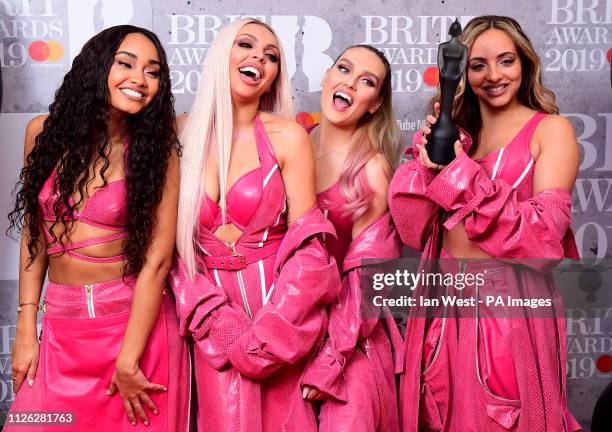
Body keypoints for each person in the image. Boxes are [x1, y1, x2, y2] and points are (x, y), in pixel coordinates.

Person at [389, 15, 581, 431]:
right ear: (460, 73)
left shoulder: (551, 131)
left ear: (525, 64)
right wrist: (428, 167)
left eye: (506, 61)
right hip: (441, 306)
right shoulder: (458, 136)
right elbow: (411, 231)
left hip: (506, 312)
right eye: (478, 65)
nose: (494, 76)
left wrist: (459, 174)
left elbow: (544, 240)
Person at [6, 25, 189, 431]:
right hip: (60, 331)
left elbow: (158, 263)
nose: (139, 79)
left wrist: (128, 359)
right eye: (126, 63)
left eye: (153, 71)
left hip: (130, 334)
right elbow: (36, 235)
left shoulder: (158, 153)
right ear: (96, 65)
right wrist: (25, 326)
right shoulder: (41, 133)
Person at [168, 18, 340, 432]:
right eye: (245, 44)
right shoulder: (178, 134)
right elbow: (169, 246)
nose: (258, 59)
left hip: (276, 307)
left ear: (273, 78)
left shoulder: (288, 137)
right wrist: (214, 318)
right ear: (221, 55)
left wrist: (274, 329)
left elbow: (309, 246)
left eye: (271, 56)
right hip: (208, 315)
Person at [298, 45, 404, 432]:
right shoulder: (293, 144)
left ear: (374, 104)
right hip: (289, 336)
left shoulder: (372, 169)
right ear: (326, 77)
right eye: (344, 69)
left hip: (346, 348)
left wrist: (331, 360)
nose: (350, 83)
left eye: (367, 82)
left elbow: (368, 284)